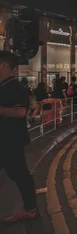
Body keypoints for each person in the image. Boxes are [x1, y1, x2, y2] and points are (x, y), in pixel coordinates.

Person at [0, 51, 39, 224]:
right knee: (19, 174)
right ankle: (31, 209)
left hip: (10, 140)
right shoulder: (3, 86)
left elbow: (20, 112)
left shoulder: (16, 88)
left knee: (20, 174)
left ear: (3, 65)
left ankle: (31, 209)